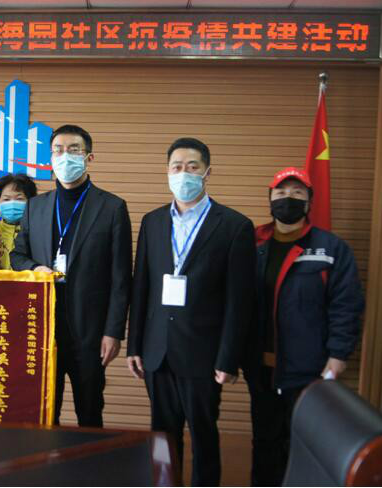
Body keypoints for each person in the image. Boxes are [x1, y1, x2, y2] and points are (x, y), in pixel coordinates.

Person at [127, 137, 256, 486]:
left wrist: (228, 358)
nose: (183, 173)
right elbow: (141, 287)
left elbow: (239, 301)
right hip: (157, 351)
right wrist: (134, 345)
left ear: (207, 172)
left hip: (204, 353)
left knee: (203, 433)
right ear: (167, 172)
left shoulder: (234, 226)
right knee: (162, 435)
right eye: (176, 167)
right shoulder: (152, 222)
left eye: (192, 167)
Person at [244, 167, 364, 486]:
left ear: (309, 202)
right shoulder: (251, 242)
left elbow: (346, 305)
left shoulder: (331, 248)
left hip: (308, 370)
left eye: (298, 193)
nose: (289, 198)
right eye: (281, 192)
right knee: (265, 441)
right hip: (260, 367)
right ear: (270, 199)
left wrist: (338, 355)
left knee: (304, 445)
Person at [11, 124, 133, 427]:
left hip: (90, 332)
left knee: (89, 413)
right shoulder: (35, 207)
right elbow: (17, 256)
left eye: (73, 149)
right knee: (44, 412)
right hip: (43, 330)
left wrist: (113, 332)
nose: (65, 156)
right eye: (58, 150)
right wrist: (33, 269)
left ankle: (90, 460)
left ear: (89, 157)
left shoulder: (112, 207)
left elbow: (121, 277)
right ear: (50, 158)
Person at [0, 173, 38, 270]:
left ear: (31, 202)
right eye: (6, 199)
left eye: (19, 199)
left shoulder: (40, 234)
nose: (12, 203)